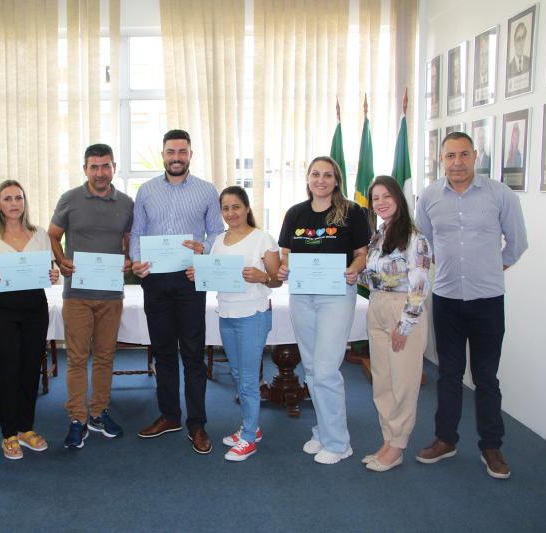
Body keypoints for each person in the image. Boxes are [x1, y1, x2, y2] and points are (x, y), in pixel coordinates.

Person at [415, 131, 528, 479]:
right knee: (448, 375)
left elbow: (517, 243)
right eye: (450, 156)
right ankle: (445, 440)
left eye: (464, 154)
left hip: (488, 301)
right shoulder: (430, 197)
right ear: (441, 159)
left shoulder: (499, 194)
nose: (457, 162)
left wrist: (492, 269)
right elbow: (424, 244)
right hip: (447, 300)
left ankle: (491, 446)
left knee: (486, 377)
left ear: (475, 155)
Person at [131, 129, 225, 454]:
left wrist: (205, 250)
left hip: (189, 279)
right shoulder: (145, 191)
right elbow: (137, 234)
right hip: (154, 281)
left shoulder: (206, 191)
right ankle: (170, 415)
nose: (176, 157)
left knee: (193, 354)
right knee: (164, 352)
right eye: (171, 151)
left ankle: (197, 423)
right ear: (163, 155)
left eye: (181, 152)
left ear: (190, 154)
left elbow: (217, 232)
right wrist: (137, 263)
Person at [277, 156, 370, 465]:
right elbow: (286, 254)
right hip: (302, 295)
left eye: (327, 175)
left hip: (337, 294)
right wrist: (283, 269)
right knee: (313, 368)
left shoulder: (352, 212)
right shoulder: (295, 213)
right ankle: (323, 430)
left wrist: (354, 269)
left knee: (328, 369)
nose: (321, 180)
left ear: (336, 180)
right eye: (315, 174)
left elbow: (361, 254)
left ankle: (339, 442)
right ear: (307, 178)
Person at [48, 144, 134, 449]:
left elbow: (129, 241)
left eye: (106, 166)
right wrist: (60, 260)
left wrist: (128, 259)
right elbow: (53, 235)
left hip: (111, 294)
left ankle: (98, 412)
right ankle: (77, 418)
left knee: (105, 357)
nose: (100, 173)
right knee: (76, 358)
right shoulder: (70, 199)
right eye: (94, 167)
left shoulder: (126, 203)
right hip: (77, 295)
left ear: (114, 167)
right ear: (85, 169)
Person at [185, 186, 280, 462]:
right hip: (227, 314)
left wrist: (262, 276)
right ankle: (251, 427)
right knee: (239, 376)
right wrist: (198, 273)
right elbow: (214, 276)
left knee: (249, 380)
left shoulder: (263, 238)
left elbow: (277, 279)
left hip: (253, 314)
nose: (231, 213)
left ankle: (249, 438)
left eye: (236, 206)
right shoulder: (218, 241)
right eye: (225, 208)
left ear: (247, 208)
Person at [0, 180, 60, 460]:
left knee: (29, 369)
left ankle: (26, 428)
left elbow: (47, 270)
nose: (14, 203)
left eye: (19, 198)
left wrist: (53, 276)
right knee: (7, 370)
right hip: (2, 309)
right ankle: (8, 433)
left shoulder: (38, 234)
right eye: (7, 198)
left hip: (35, 307)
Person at [361, 176, 432, 472]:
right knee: (383, 380)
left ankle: (399, 444)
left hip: (403, 311)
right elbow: (380, 276)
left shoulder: (416, 238)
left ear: (398, 198)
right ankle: (389, 439)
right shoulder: (379, 235)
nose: (380, 203)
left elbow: (419, 285)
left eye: (386, 196)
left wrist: (405, 327)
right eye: (375, 198)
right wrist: (355, 276)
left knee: (403, 382)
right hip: (376, 305)